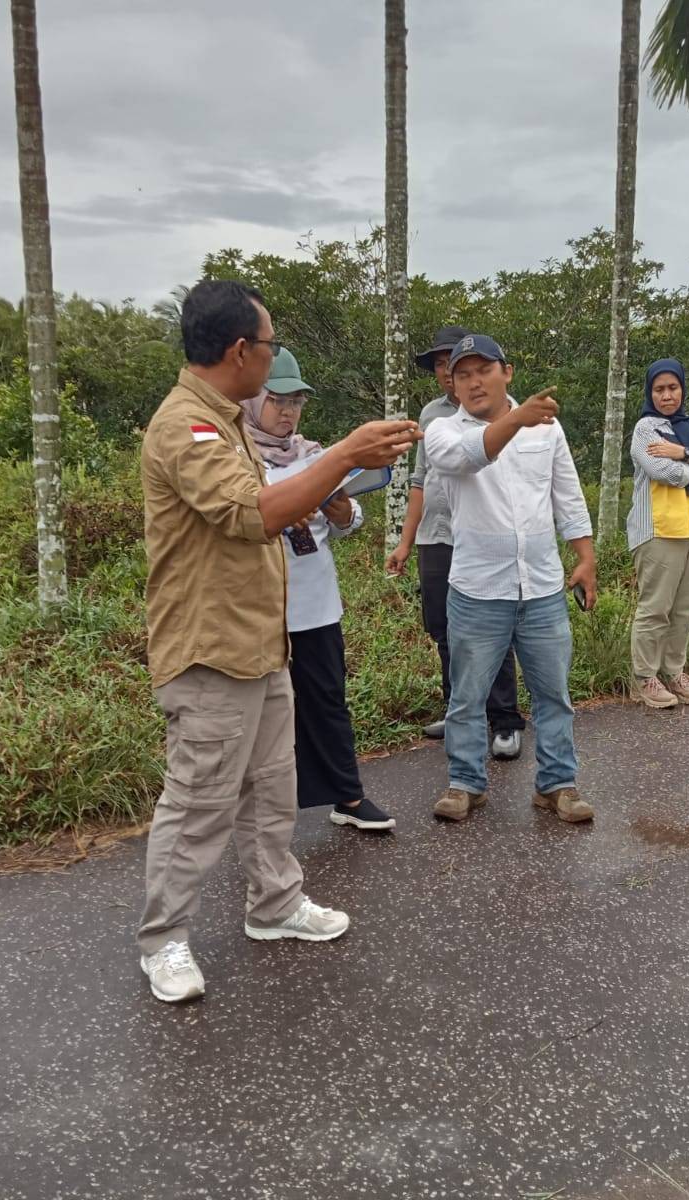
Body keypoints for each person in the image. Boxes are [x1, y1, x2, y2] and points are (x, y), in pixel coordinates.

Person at [136, 279, 419, 1003]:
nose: (271, 359)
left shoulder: (225, 419)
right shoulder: (187, 428)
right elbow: (251, 513)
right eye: (267, 345)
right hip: (209, 651)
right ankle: (164, 939)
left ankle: (275, 903)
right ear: (240, 351)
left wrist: (341, 466)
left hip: (261, 643)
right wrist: (346, 453)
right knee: (199, 799)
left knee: (273, 788)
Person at [423, 334, 597, 824]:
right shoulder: (442, 431)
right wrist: (516, 420)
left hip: (542, 586)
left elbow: (567, 493)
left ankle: (557, 784)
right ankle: (465, 784)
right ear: (452, 385)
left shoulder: (547, 428)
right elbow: (468, 458)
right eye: (462, 374)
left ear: (508, 372)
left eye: (484, 369)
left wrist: (585, 556)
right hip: (478, 590)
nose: (474, 381)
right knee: (467, 696)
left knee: (554, 694)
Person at [242, 348, 394, 832]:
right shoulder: (236, 458)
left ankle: (346, 797)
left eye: (297, 402)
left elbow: (350, 520)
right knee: (259, 713)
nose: (288, 412)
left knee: (327, 699)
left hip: (316, 603)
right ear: (252, 400)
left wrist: (344, 514)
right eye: (277, 400)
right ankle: (255, 808)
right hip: (260, 609)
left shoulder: (317, 456)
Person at [388, 325, 526, 759]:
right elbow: (419, 480)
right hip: (437, 535)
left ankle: (504, 718)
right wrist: (405, 542)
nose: (449, 372)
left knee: (494, 625)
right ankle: (458, 710)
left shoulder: (501, 411)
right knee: (443, 628)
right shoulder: (430, 416)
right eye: (442, 365)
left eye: (457, 363)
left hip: (484, 535)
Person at [626, 357, 689, 708]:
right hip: (659, 527)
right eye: (659, 389)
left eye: (672, 388)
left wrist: (683, 451)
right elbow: (661, 471)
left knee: (685, 606)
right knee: (655, 606)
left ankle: (674, 671)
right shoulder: (645, 429)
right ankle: (645, 677)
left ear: (682, 389)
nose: (666, 396)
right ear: (650, 392)